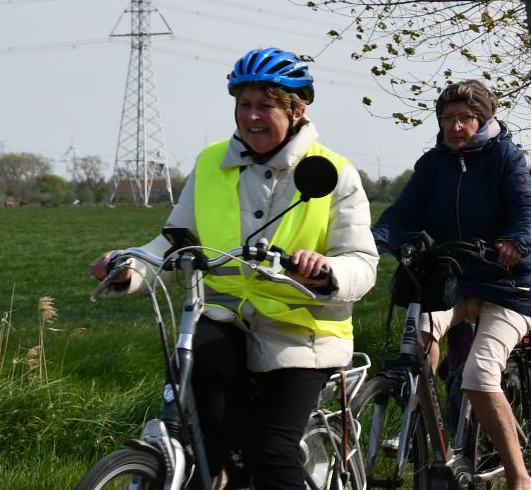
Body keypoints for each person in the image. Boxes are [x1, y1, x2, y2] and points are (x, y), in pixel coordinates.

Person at [87, 48, 377, 489]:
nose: (252, 117)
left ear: (297, 111)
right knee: (206, 430)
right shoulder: (210, 163)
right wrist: (130, 267)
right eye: (244, 105)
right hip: (225, 319)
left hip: (301, 334)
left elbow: (362, 262)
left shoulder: (334, 173)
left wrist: (326, 272)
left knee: (272, 454)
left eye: (266, 106)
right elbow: (174, 240)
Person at [371, 79, 531, 490]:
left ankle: (520, 477)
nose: (455, 127)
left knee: (479, 374)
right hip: (454, 277)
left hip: (510, 284)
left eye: (465, 118)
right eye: (447, 119)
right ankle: (431, 432)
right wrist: (378, 239)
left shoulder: (506, 158)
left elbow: (526, 211)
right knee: (417, 342)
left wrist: (515, 242)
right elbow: (402, 212)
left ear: (482, 120)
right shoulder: (433, 164)